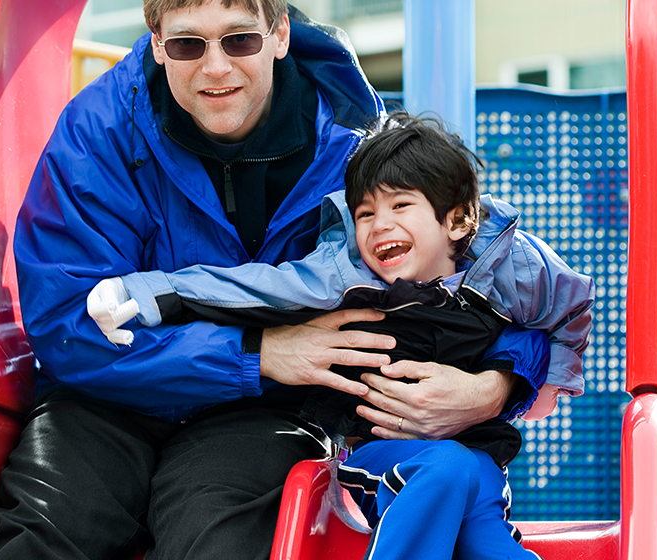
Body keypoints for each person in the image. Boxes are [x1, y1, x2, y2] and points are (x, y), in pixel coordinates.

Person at [0, 1, 560, 559]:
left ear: (279, 33)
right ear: (157, 45)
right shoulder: (100, 132)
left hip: (267, 410)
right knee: (50, 525)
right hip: (108, 396)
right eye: (187, 43)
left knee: (212, 534)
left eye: (240, 39)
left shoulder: (355, 144)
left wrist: (498, 387)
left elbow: (488, 271)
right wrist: (254, 353)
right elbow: (66, 321)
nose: (215, 67)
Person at [88, 112, 595, 559]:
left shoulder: (511, 268)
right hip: (380, 451)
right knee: (445, 469)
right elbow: (252, 289)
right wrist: (148, 293)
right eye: (365, 214)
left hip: (481, 453)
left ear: (458, 218)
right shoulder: (345, 274)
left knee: (487, 539)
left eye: (400, 206)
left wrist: (542, 387)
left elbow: (569, 309)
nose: (379, 226)